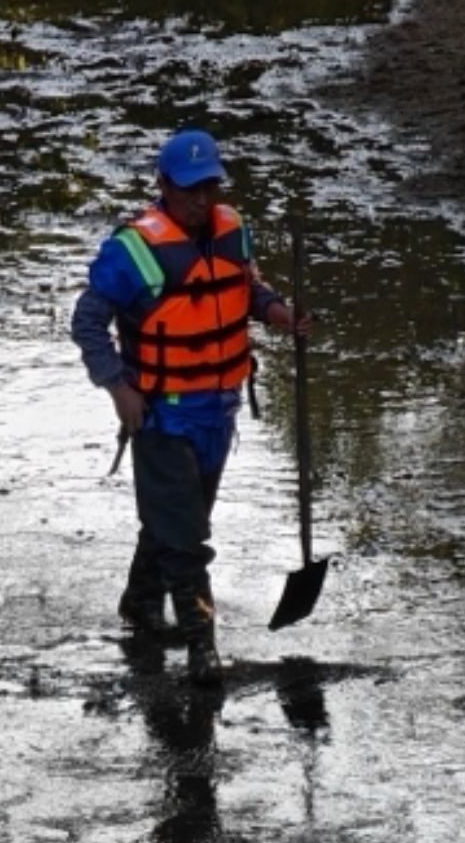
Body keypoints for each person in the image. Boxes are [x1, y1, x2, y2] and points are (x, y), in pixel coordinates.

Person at [71, 127, 308, 682]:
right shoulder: (133, 248)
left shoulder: (232, 232)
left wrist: (280, 315)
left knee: (176, 523)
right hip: (160, 414)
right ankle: (202, 644)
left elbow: (247, 289)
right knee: (189, 539)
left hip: (217, 409)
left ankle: (140, 607)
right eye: (188, 190)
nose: (202, 201)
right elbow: (87, 320)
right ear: (163, 186)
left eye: (209, 188)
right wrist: (117, 387)